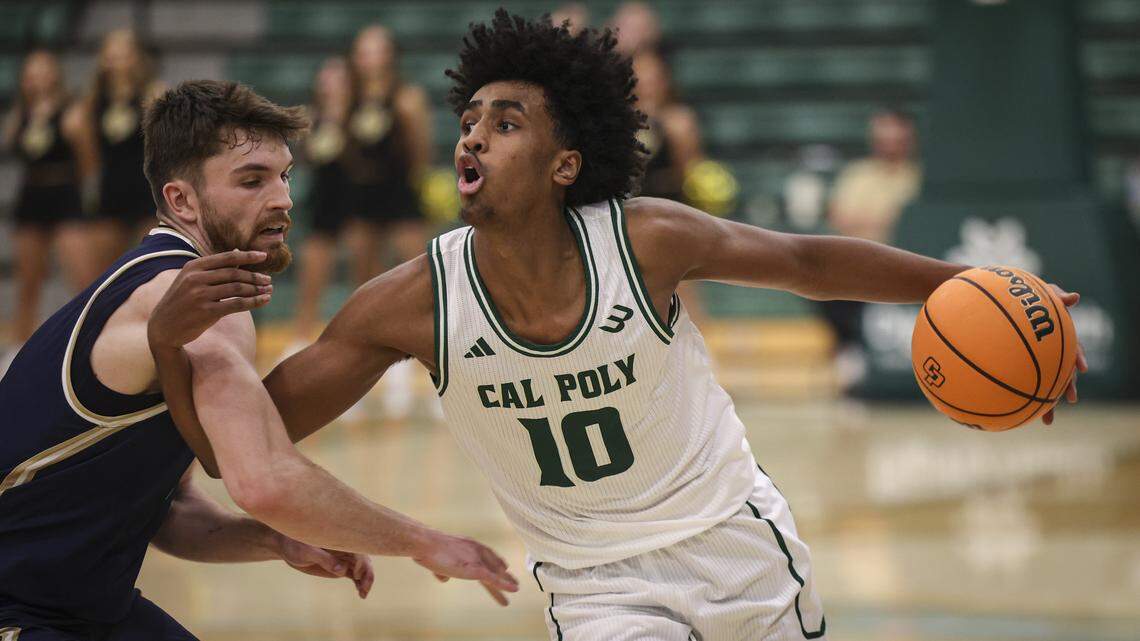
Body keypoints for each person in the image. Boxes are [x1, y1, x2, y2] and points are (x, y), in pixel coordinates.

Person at [151, 13, 1085, 641]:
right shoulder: (414, 301)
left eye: (505, 123)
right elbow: (251, 445)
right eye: (468, 119)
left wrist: (974, 284)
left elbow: (808, 263)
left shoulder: (645, 239)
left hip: (738, 544)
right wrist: (165, 349)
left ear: (565, 163)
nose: (471, 136)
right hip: (598, 587)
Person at [0, 80, 517, 641]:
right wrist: (429, 543)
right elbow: (265, 480)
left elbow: (168, 513)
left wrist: (276, 540)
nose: (283, 199)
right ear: (182, 200)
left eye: (285, 175)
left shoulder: (168, 284)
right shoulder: (187, 296)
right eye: (252, 180)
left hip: (86, 606)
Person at [1, 51, 99, 354]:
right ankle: (19, 346)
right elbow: (11, 145)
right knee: (28, 279)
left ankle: (90, 341)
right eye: (31, 73)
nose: (37, 78)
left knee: (83, 277)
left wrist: (77, 190)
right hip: (31, 195)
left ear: (55, 73)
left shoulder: (72, 110)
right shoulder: (21, 112)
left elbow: (89, 160)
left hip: (64, 193)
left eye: (43, 71)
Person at [823, 108, 922, 392]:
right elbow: (841, 219)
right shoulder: (856, 175)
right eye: (883, 136)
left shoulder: (920, 177)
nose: (889, 143)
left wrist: (871, 223)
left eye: (896, 137)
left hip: (909, 261)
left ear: (909, 139)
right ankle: (850, 349)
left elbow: (912, 224)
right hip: (862, 260)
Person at [77, 28, 167, 269]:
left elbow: (164, 143)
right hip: (110, 189)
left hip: (146, 188)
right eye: (111, 52)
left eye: (123, 52)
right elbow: (89, 154)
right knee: (102, 273)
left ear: (136, 57)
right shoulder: (93, 100)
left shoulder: (152, 93)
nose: (116, 59)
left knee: (150, 267)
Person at [291, 56, 352, 341]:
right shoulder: (311, 117)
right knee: (312, 277)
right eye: (327, 78)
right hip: (324, 201)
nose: (332, 84)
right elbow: (306, 157)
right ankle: (302, 336)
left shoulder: (361, 114)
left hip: (358, 200)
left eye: (339, 78)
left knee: (366, 275)